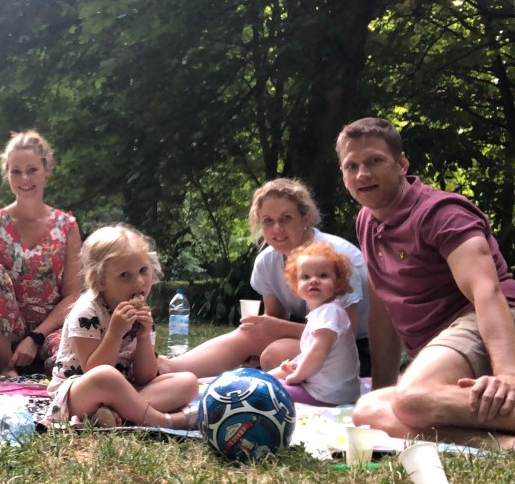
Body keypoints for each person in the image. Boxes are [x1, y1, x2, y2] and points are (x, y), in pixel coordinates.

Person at [337, 116, 515, 469]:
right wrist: (384, 388)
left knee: (413, 397)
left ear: (401, 164)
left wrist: (507, 374)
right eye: (351, 166)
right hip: (451, 363)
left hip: (513, 333)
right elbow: (383, 311)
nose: (362, 174)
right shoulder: (367, 222)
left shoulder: (440, 213)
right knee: (371, 411)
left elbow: (486, 290)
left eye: (374, 161)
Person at [163, 178, 370, 378]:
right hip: (312, 337)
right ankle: (169, 368)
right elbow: (274, 319)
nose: (277, 229)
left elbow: (345, 334)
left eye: (286, 218)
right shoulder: (267, 262)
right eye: (268, 221)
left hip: (355, 349)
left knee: (273, 356)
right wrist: (259, 338)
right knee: (255, 336)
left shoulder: (336, 258)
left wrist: (277, 329)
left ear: (305, 217)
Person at [44, 225, 200, 429]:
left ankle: (116, 414)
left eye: (143, 270)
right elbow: (94, 370)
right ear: (100, 281)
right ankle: (164, 421)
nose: (139, 281)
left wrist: (144, 337)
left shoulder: (141, 312)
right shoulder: (87, 312)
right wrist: (115, 333)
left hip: (125, 389)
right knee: (106, 376)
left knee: (188, 382)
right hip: (79, 393)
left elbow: (145, 377)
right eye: (125, 275)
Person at [0, 130, 82, 377]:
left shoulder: (66, 227)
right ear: (7, 175)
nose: (24, 178)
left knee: (75, 368)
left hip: (49, 332)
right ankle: (8, 366)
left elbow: (73, 295)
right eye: (16, 171)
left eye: (32, 169)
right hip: (4, 335)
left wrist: (36, 337)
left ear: (46, 170)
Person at [266, 241, 361, 406]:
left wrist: (297, 376)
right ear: (295, 285)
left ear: (338, 283)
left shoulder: (329, 313)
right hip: (334, 391)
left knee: (266, 392)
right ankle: (259, 378)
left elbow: (318, 352)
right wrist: (294, 367)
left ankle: (256, 381)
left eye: (323, 275)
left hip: (327, 396)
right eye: (305, 277)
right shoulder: (324, 312)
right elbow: (310, 353)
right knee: (266, 381)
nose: (314, 281)